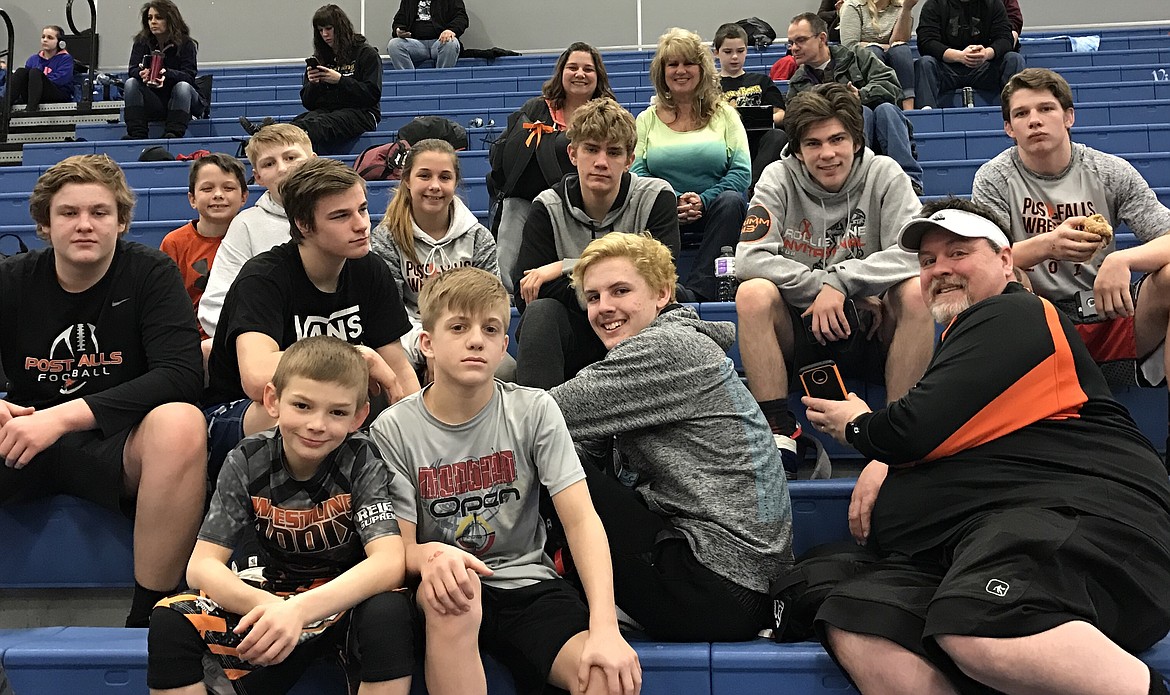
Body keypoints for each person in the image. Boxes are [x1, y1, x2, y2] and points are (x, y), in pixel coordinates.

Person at [802, 197, 1170, 695]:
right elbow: (935, 433)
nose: (939, 269)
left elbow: (910, 429)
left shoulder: (1015, 311)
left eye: (958, 253)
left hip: (1081, 516)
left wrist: (860, 429)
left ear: (1004, 260)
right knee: (859, 616)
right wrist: (893, 462)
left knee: (981, 624)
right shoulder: (964, 345)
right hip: (975, 535)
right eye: (927, 261)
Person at [369, 267, 641, 695]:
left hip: (527, 585)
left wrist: (604, 625)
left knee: (607, 675)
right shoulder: (393, 429)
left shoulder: (534, 410)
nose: (475, 339)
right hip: (446, 587)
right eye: (458, 327)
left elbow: (582, 520)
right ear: (427, 344)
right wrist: (435, 559)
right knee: (454, 595)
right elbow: (400, 548)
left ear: (503, 346)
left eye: (490, 328)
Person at [550, 232, 793, 641]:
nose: (603, 308)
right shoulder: (669, 346)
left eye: (620, 291)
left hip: (716, 587)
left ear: (662, 293)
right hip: (732, 582)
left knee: (538, 452)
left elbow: (535, 420)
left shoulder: (668, 348)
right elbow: (576, 437)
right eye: (592, 297)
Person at [0, 155, 206, 627]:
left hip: (115, 444)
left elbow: (181, 374)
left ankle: (151, 618)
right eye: (68, 213)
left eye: (100, 212)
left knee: (181, 422)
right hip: (20, 439)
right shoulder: (11, 279)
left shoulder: (150, 272)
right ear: (45, 225)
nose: (84, 225)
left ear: (122, 221)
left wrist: (61, 417)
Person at [147, 336, 414, 695]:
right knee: (169, 620)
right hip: (270, 596)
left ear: (359, 416)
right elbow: (202, 566)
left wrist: (300, 612)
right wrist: (277, 609)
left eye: (337, 412)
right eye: (302, 405)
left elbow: (388, 562)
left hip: (344, 600)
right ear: (273, 400)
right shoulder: (247, 459)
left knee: (389, 612)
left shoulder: (361, 459)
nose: (317, 424)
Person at [735, 84, 932, 477]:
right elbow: (749, 259)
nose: (827, 154)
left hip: (873, 330)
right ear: (797, 149)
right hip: (802, 327)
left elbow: (915, 252)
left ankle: (897, 426)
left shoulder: (885, 173)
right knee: (752, 293)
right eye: (813, 143)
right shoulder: (778, 176)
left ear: (857, 141)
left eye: (838, 139)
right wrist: (825, 289)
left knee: (916, 291)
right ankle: (778, 428)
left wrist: (842, 284)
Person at [972, 67, 1170, 444]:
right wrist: (1047, 244)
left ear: (1068, 116)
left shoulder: (1109, 170)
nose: (1034, 121)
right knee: (1009, 278)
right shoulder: (994, 177)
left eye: (1045, 109)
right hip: (1039, 325)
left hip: (1112, 312)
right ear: (1009, 129)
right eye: (1021, 114)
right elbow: (985, 259)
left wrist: (1121, 260)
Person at [203, 158, 421, 479]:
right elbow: (256, 378)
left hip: (327, 411)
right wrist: (357, 357)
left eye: (361, 209)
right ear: (304, 224)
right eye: (341, 216)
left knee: (377, 408)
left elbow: (398, 370)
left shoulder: (370, 270)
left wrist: (418, 428)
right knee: (294, 410)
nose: (361, 224)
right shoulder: (264, 277)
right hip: (241, 413)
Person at [512, 97, 679, 389]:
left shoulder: (656, 197)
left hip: (642, 332)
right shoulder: (547, 206)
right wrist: (614, 289)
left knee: (676, 307)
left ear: (629, 160)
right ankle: (538, 427)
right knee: (541, 314)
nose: (601, 162)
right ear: (573, 154)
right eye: (591, 149)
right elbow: (527, 292)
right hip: (577, 338)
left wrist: (564, 267)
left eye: (613, 152)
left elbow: (661, 279)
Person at [370, 138, 514, 382]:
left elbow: (491, 305)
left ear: (455, 182)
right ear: (407, 180)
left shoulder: (478, 238)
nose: (434, 186)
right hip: (407, 337)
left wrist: (450, 345)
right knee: (386, 373)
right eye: (424, 176)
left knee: (506, 370)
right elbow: (389, 312)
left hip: (466, 332)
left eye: (445, 177)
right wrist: (427, 348)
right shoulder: (387, 237)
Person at [633, 27, 750, 302]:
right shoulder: (645, 120)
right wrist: (671, 200)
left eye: (688, 63)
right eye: (672, 64)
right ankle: (657, 287)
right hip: (662, 210)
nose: (680, 70)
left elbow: (741, 171)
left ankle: (697, 292)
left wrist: (704, 200)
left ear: (702, 69)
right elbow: (636, 172)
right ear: (662, 72)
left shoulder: (726, 115)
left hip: (716, 208)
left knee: (732, 201)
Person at [490, 42, 616, 293]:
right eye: (573, 68)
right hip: (529, 199)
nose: (580, 74)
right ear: (561, 73)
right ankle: (506, 296)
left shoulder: (608, 114)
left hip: (584, 203)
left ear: (598, 76)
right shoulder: (535, 109)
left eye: (588, 69)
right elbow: (506, 158)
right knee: (513, 207)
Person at [199, 124, 316, 342]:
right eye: (269, 163)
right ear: (258, 177)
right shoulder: (245, 225)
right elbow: (215, 305)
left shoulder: (341, 212)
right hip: (271, 349)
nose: (282, 169)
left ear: (313, 160)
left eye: (291, 157)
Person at [786, 12, 924, 194]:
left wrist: (861, 94)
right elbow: (793, 123)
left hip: (880, 134)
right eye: (791, 43)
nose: (794, 48)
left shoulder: (857, 56)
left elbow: (891, 86)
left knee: (885, 109)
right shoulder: (797, 82)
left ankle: (908, 181)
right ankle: (855, 180)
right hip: (836, 143)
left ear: (821, 38)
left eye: (800, 40)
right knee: (862, 112)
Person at [160, 153, 249, 342]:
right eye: (207, 188)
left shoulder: (253, 237)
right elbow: (167, 305)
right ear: (192, 198)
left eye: (228, 188)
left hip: (244, 338)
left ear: (244, 197)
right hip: (192, 341)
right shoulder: (174, 243)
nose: (218, 195)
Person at [286, 5, 382, 155]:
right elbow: (308, 103)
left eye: (329, 29)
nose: (325, 34)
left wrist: (340, 80)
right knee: (302, 121)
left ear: (340, 28)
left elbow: (372, 95)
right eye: (320, 30)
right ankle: (271, 134)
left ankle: (272, 135)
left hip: (362, 113)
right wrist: (313, 85)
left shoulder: (366, 54)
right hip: (327, 112)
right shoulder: (320, 57)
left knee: (317, 125)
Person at [914, 0, 1026, 109]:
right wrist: (959, 56)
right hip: (946, 69)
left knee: (1014, 59)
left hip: (985, 68)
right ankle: (926, 112)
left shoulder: (994, 4)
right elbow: (927, 43)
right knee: (925, 63)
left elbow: (1005, 39)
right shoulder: (934, 4)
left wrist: (986, 53)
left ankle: (1017, 108)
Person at [714, 23, 788, 186]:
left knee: (778, 136)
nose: (734, 57)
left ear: (747, 50)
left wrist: (760, 119)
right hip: (724, 142)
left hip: (757, 143)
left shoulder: (762, 81)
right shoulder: (709, 85)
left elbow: (781, 113)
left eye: (740, 51)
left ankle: (750, 185)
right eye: (728, 52)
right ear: (716, 53)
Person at [122, 0, 202, 139]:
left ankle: (173, 134)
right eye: (150, 18)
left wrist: (166, 73)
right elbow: (132, 69)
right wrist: (142, 74)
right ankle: (137, 134)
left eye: (158, 17)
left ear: (170, 20)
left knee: (182, 87)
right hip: (154, 97)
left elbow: (189, 76)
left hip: (180, 97)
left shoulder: (187, 44)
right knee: (130, 83)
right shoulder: (141, 42)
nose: (153, 22)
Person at [838, 0, 917, 109]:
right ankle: (878, 103)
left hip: (893, 57)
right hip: (862, 62)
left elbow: (899, 41)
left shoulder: (901, 7)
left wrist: (907, 9)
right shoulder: (853, 6)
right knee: (873, 51)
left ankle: (908, 108)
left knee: (901, 50)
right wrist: (880, 46)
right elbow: (849, 45)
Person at [387, 0, 468, 70]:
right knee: (394, 44)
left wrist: (451, 30)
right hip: (415, 44)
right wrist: (398, 30)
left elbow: (461, 17)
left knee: (451, 43)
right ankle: (410, 81)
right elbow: (399, 20)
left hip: (440, 42)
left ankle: (442, 82)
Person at [9, 25, 74, 110]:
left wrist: (39, 80)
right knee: (21, 71)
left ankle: (30, 110)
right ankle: (4, 107)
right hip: (34, 94)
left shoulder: (65, 58)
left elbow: (61, 80)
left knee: (35, 73)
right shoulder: (33, 59)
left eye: (50, 38)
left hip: (56, 94)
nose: (45, 40)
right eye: (43, 37)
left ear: (60, 42)